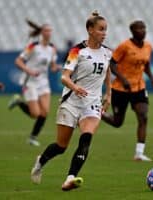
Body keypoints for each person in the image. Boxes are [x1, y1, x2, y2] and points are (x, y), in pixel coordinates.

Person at [30, 11, 112, 191]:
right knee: (61, 146)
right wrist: (75, 88)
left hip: (92, 104)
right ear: (90, 30)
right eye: (100, 29)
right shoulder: (77, 51)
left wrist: (109, 94)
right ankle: (41, 161)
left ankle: (70, 177)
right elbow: (64, 77)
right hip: (71, 101)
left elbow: (107, 73)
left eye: (105, 29)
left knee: (86, 138)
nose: (104, 33)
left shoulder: (107, 53)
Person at [102, 20, 153, 162]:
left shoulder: (148, 46)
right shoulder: (124, 46)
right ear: (132, 31)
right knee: (117, 122)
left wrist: (151, 77)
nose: (142, 30)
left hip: (139, 88)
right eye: (139, 28)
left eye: (144, 27)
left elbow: (146, 63)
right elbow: (112, 63)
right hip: (121, 89)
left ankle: (139, 153)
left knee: (143, 116)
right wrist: (122, 79)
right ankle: (98, 112)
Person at [8, 20, 60, 146]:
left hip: (43, 82)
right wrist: (29, 71)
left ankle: (32, 138)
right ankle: (19, 101)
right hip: (30, 82)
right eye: (46, 30)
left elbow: (52, 67)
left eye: (50, 30)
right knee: (35, 114)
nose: (48, 33)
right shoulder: (33, 46)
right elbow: (18, 61)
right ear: (42, 32)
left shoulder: (52, 48)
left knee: (45, 112)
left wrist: (56, 68)